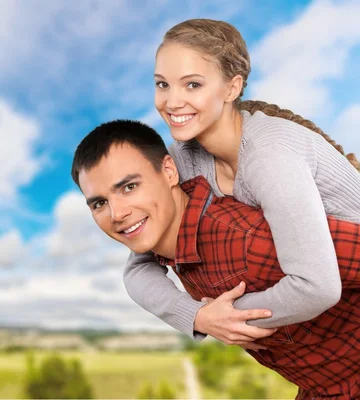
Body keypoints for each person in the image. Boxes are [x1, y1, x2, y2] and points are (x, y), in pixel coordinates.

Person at [72, 119, 360, 399]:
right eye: (99, 203)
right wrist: (199, 317)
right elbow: (135, 272)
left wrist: (235, 315)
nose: (116, 214)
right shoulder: (169, 244)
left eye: (129, 187)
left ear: (169, 172)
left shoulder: (248, 236)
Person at [124, 18, 360, 346]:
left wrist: (228, 316)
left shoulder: (269, 157)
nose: (172, 101)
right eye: (163, 84)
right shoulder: (183, 160)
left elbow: (316, 286)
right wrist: (197, 316)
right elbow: (138, 266)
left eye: (192, 85)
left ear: (232, 88)